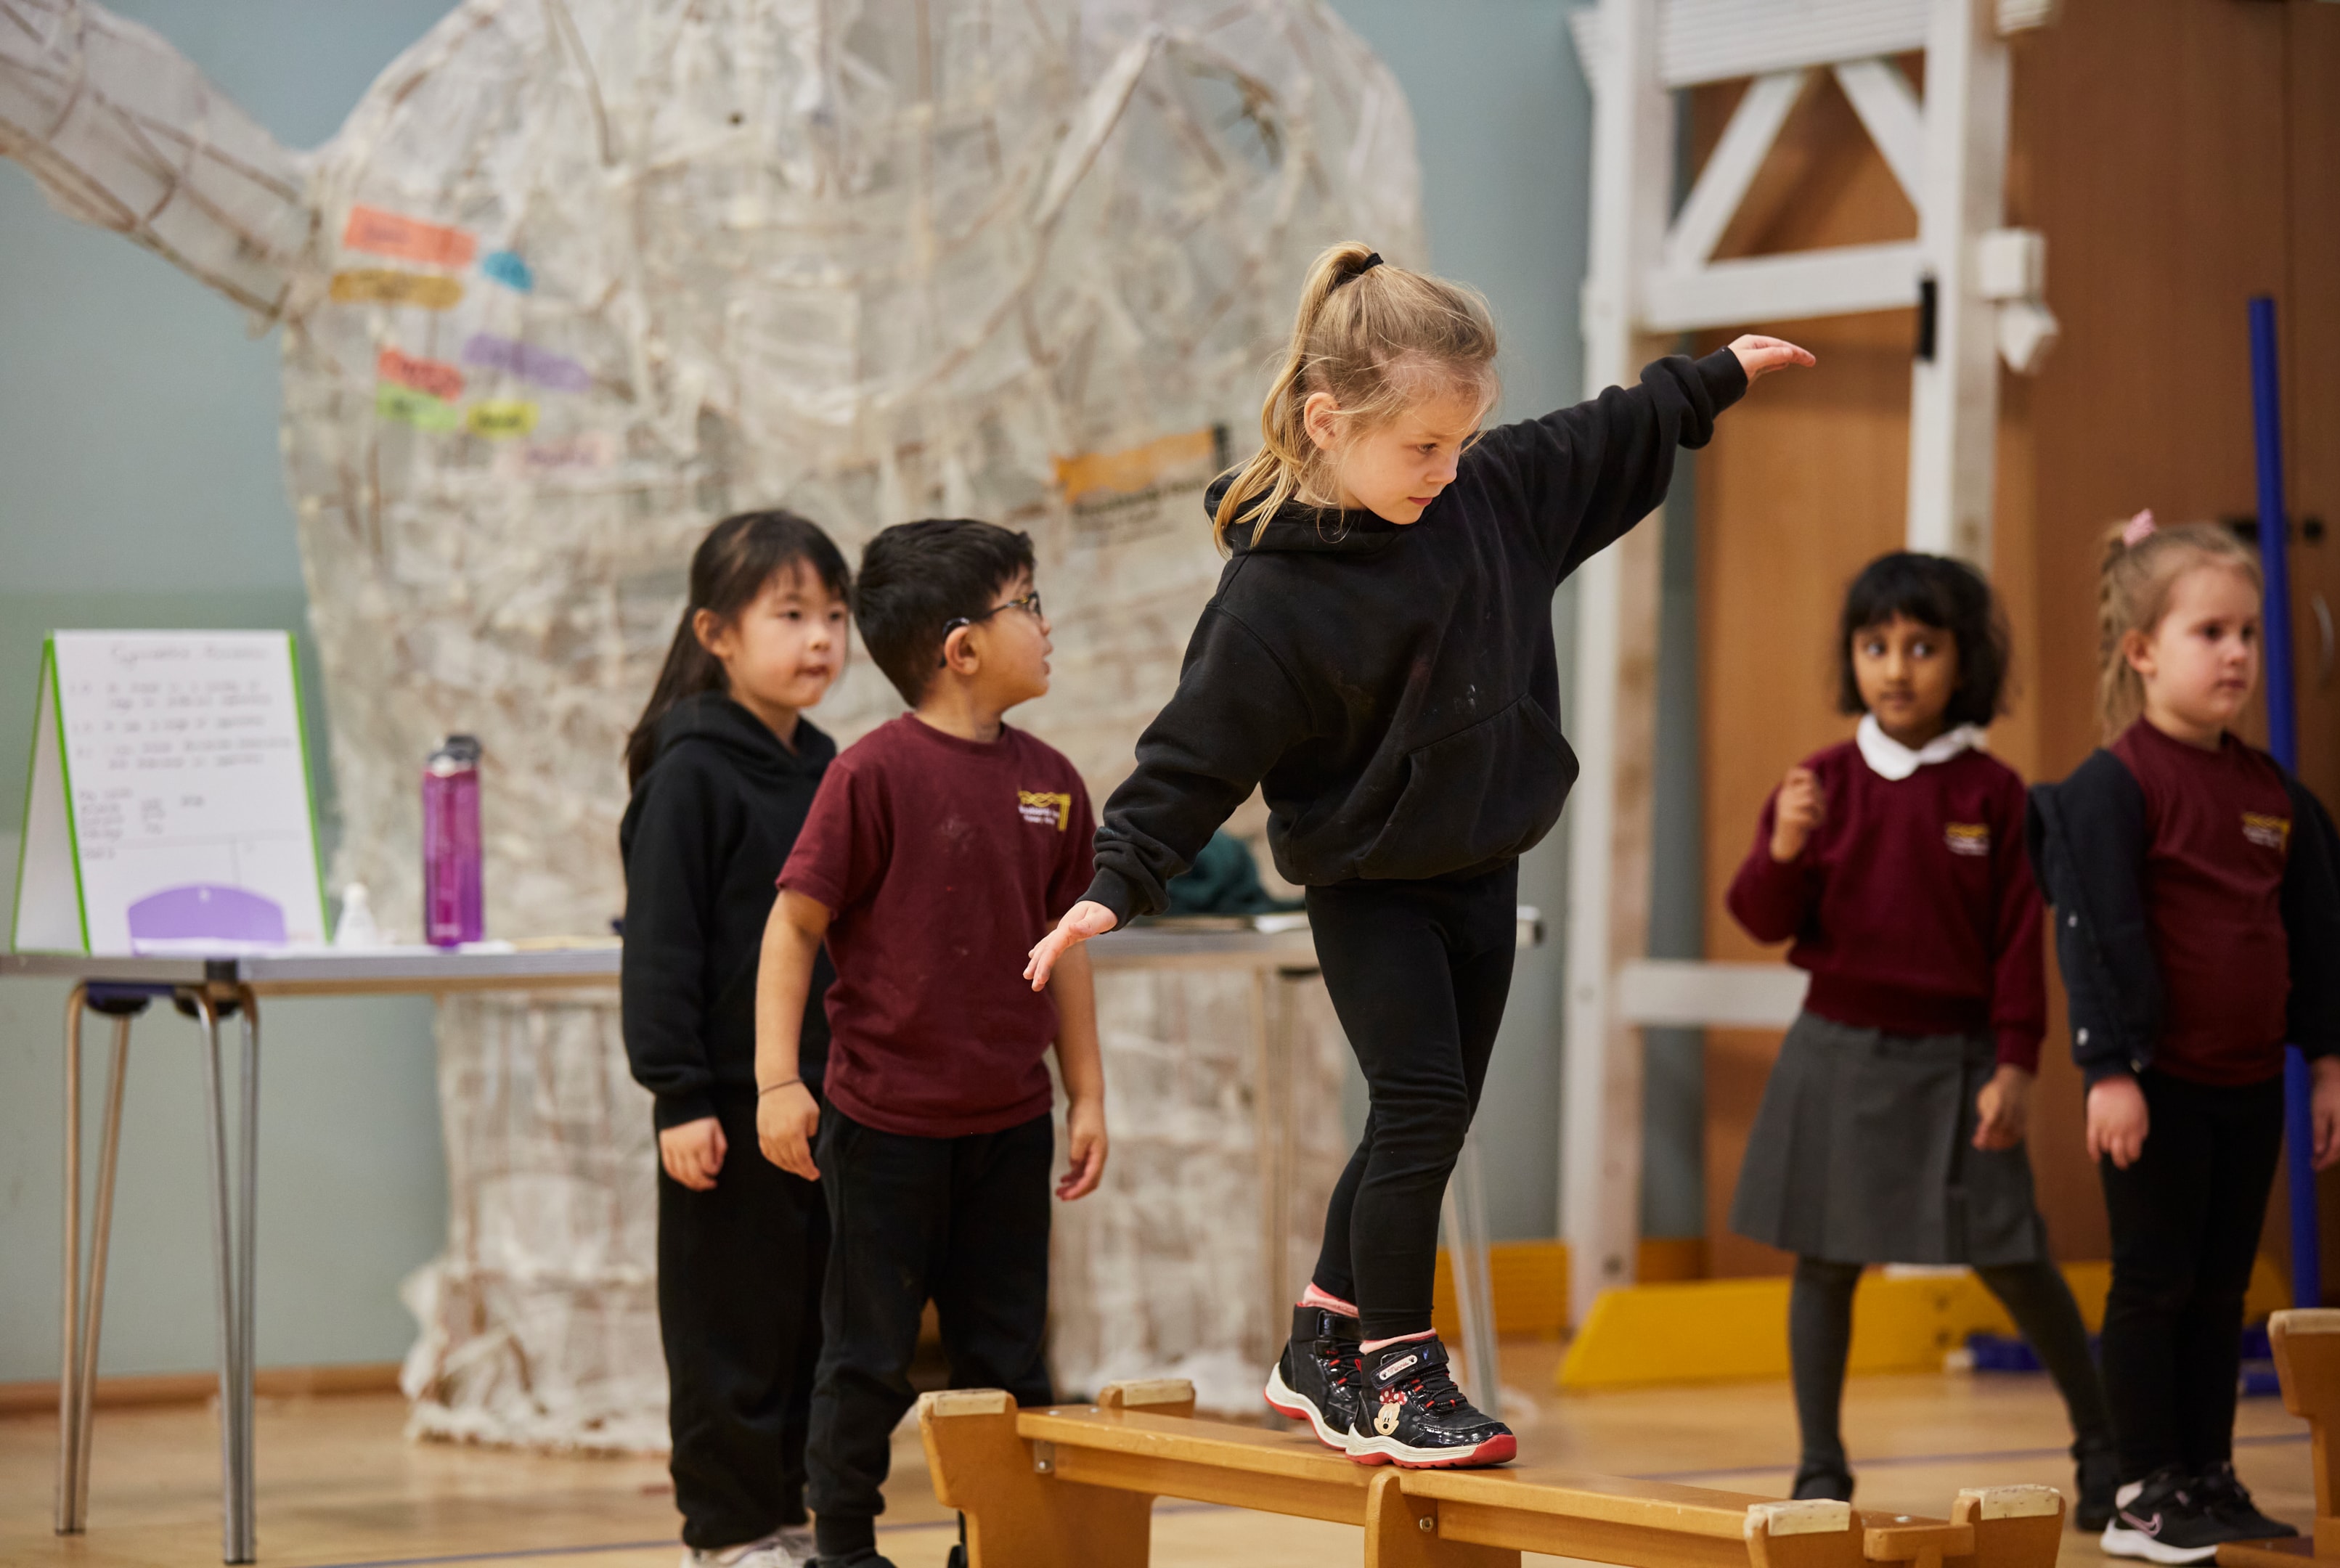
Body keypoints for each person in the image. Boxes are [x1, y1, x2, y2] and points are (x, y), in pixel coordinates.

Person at [1023, 240, 1811, 1469]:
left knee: (1422, 1123)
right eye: (1422, 450)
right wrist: (1114, 887)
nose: (1447, 475)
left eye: (1460, 443)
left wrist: (1709, 381)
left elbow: (1597, 439)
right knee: (1421, 1105)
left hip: (1482, 866)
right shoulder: (1272, 603)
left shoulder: (1483, 496)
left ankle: (1317, 1345)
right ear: (1328, 423)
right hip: (1370, 884)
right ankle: (1397, 1374)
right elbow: (1193, 757)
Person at [1723, 552, 2115, 1517]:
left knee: (2014, 1257)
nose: (1896, 668)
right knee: (1824, 1261)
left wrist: (2017, 1064)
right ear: (1852, 658)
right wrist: (1781, 847)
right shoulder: (1817, 783)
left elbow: (2022, 946)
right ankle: (1821, 1462)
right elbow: (1759, 917)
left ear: (1963, 662)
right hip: (1838, 1052)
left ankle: (2107, 1445)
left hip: (1963, 1061)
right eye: (1875, 646)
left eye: (1922, 647)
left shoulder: (1997, 795)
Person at [754, 519, 1109, 1568]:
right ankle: (847, 1546)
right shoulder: (871, 776)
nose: (1047, 626)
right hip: (885, 1132)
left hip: (1010, 1128)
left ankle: (996, 1545)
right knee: (866, 1356)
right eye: (1027, 605)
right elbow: (793, 927)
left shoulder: (1053, 782)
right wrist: (779, 1080)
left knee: (1007, 1363)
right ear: (961, 648)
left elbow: (1069, 947)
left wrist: (1084, 1092)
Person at [2031, 516, 2340, 1564]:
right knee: (2153, 1284)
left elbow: (2321, 937)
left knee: (2225, 1289)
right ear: (2142, 651)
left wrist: (2331, 1065)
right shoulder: (2111, 789)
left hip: (2251, 1085)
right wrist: (2109, 1070)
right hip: (2156, 1087)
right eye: (2211, 632)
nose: (2237, 655)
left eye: (2250, 635)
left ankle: (2207, 1476)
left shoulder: (2275, 798)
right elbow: (2099, 939)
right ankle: (2142, 1490)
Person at [619, 510, 856, 1568]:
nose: (820, 640)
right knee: (726, 1328)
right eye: (792, 614)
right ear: (716, 633)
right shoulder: (690, 774)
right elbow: (662, 949)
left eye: (836, 616)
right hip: (722, 1108)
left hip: (820, 1105)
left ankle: (787, 1520)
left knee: (807, 1322)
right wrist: (679, 1097)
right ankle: (725, 1535)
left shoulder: (828, 767)